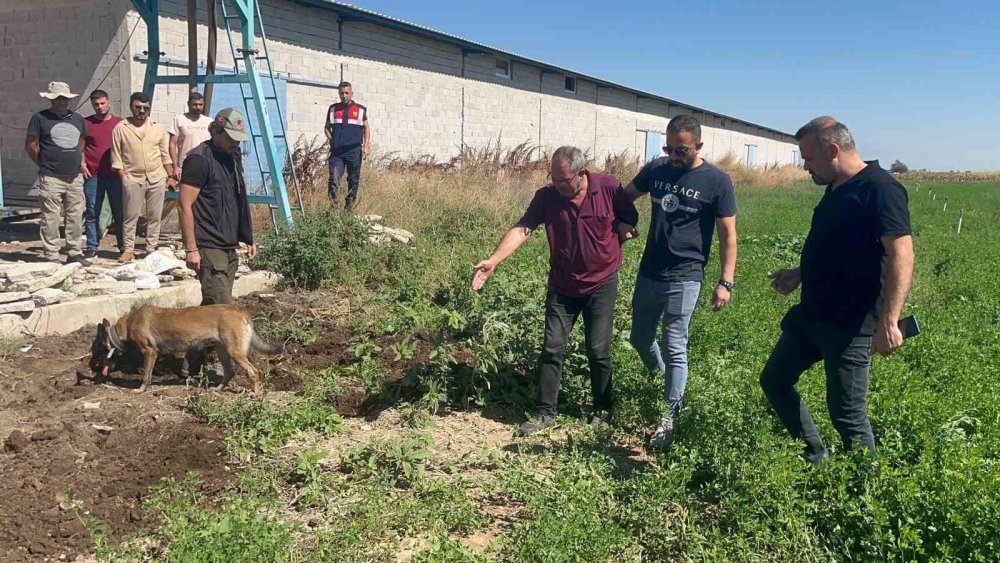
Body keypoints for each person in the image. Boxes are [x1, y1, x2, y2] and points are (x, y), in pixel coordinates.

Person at [760, 116, 914, 465]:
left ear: (832, 150)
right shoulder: (836, 188)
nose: (805, 167)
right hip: (813, 315)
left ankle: (863, 500)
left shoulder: (880, 189)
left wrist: (889, 321)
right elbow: (840, 247)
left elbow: (902, 254)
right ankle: (816, 458)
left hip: (850, 325)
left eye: (809, 158)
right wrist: (800, 273)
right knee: (774, 381)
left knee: (847, 415)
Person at [472, 146, 639, 435]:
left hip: (601, 284)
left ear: (581, 173)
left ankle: (603, 410)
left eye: (564, 180)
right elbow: (524, 228)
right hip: (563, 285)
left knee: (598, 350)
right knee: (552, 348)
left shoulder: (609, 188)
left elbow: (630, 218)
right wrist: (494, 260)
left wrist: (625, 227)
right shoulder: (547, 196)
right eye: (554, 178)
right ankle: (545, 413)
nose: (558, 185)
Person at [622, 114, 738, 450]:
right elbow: (623, 198)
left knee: (675, 345)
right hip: (650, 271)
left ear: (698, 146)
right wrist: (622, 223)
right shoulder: (657, 170)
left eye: (681, 149)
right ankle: (663, 381)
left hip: (686, 275)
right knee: (640, 338)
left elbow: (728, 235)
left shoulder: (717, 181)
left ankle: (668, 417)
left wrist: (725, 281)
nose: (674, 154)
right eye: (669, 147)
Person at [178, 107, 256, 306]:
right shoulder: (199, 159)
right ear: (215, 131)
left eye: (238, 139)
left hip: (229, 246)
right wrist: (191, 249)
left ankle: (193, 337)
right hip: (209, 246)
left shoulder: (233, 155)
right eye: (231, 138)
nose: (235, 143)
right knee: (224, 313)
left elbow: (237, 198)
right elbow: (184, 205)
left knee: (213, 312)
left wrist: (248, 237)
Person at [25, 81, 90, 265]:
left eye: (64, 98)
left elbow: (82, 141)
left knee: (75, 216)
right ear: (51, 99)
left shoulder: (77, 119)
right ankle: (51, 255)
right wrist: (45, 163)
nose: (62, 101)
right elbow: (30, 145)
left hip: (75, 176)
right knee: (50, 218)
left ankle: (75, 253)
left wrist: (76, 160)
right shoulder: (40, 118)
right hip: (51, 177)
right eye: (58, 98)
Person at [110, 92, 175, 262]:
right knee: (130, 216)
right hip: (133, 178)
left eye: (145, 108)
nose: (142, 111)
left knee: (155, 215)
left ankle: (150, 248)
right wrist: (123, 177)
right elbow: (116, 157)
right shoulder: (121, 128)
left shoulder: (157, 128)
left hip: (156, 177)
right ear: (131, 106)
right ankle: (128, 249)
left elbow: (164, 154)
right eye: (138, 107)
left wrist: (170, 176)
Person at [82, 89, 125, 257]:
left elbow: (125, 147)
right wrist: (81, 162)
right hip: (93, 175)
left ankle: (123, 247)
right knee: (93, 211)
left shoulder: (120, 123)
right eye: (96, 104)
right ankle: (92, 246)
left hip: (116, 175)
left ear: (109, 103)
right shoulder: (86, 123)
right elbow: (80, 144)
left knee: (119, 212)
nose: (99, 107)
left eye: (102, 103)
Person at [163, 92, 213, 223]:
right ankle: (153, 225)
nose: (198, 107)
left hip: (204, 166)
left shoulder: (209, 121)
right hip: (185, 166)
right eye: (195, 104)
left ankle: (200, 231)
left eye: (200, 104)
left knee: (201, 200)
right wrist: (175, 167)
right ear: (188, 105)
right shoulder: (179, 119)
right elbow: (172, 144)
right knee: (180, 200)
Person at [324, 81, 371, 210]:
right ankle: (333, 208)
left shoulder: (360, 110)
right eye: (341, 93)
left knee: (353, 180)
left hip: (354, 151)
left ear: (351, 94)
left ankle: (348, 209)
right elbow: (326, 128)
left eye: (346, 93)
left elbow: (366, 128)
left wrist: (366, 146)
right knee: (334, 179)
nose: (343, 96)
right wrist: (332, 140)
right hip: (337, 153)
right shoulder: (333, 109)